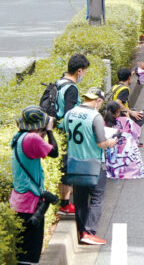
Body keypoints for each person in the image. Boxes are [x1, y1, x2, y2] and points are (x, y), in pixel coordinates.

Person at [61, 88, 117, 245]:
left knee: (80, 199)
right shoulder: (95, 116)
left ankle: (81, 232)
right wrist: (111, 142)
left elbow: (65, 132)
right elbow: (101, 142)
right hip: (94, 164)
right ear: (98, 101)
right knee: (97, 197)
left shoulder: (70, 113)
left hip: (74, 162)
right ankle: (89, 231)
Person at [11, 106, 58, 265]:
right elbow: (54, 152)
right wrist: (50, 131)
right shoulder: (32, 139)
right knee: (30, 257)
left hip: (19, 202)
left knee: (22, 253)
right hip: (30, 203)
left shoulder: (20, 137)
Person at [56, 54, 91, 217]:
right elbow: (70, 114)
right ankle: (65, 204)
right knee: (68, 168)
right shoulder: (71, 88)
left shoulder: (59, 82)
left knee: (64, 167)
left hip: (55, 130)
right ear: (79, 70)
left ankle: (64, 202)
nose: (84, 74)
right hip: (66, 133)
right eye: (84, 71)